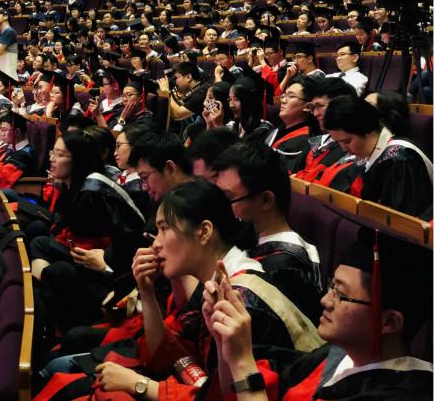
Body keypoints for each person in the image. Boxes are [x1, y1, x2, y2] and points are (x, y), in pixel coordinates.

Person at [86, 181, 322, 400]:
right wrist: (146, 292)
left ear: (204, 232)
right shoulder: (215, 281)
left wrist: (140, 384)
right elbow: (171, 357)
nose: (155, 243)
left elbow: (227, 396)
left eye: (164, 229)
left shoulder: (243, 301)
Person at [200, 230, 432, 401]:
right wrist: (224, 338)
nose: (325, 300)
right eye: (332, 286)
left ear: (389, 322)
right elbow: (235, 392)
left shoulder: (405, 393)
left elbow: (247, 379)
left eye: (341, 295)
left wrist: (242, 361)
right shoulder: (335, 357)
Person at [30, 130, 146, 331]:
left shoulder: (92, 192)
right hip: (94, 259)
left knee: (56, 269)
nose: (52, 159)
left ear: (78, 159)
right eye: (52, 152)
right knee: (39, 242)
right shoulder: (76, 185)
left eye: (60, 154)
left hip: (112, 271)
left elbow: (90, 247)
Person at [212, 141, 323, 323]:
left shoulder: (283, 268)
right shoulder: (249, 236)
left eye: (228, 198)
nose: (219, 207)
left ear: (266, 201)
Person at [323, 95, 432, 218]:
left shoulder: (399, 159)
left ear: (366, 129)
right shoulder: (365, 153)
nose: (343, 148)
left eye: (347, 141)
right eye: (338, 142)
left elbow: (404, 220)